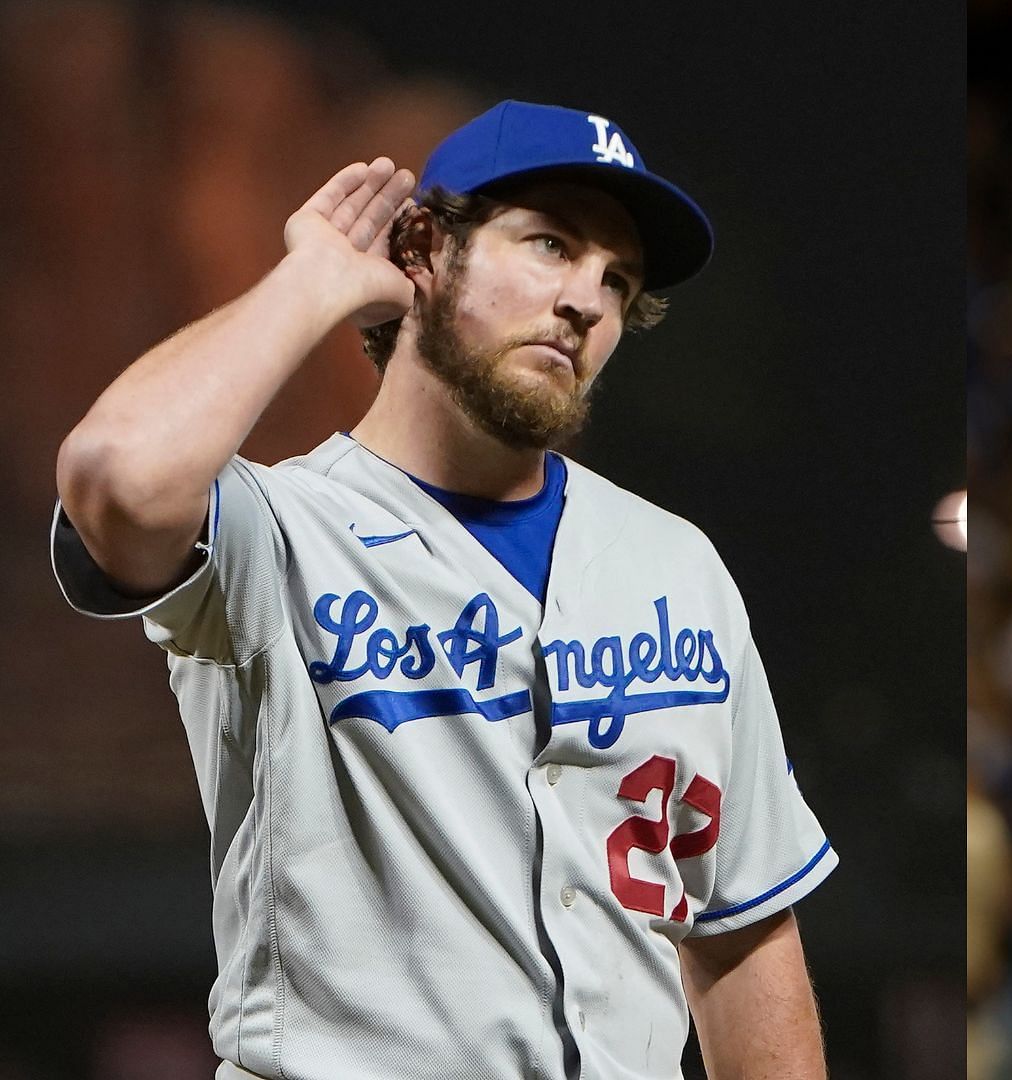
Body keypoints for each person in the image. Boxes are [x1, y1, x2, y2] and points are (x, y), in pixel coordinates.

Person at [52, 100, 836, 1080]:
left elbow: (742, 929)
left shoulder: (676, 564)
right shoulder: (281, 531)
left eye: (617, 280)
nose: (587, 300)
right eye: (550, 244)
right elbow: (116, 480)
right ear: (422, 243)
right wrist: (312, 284)